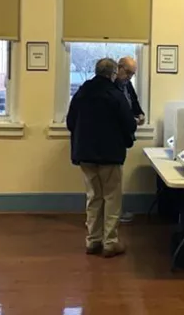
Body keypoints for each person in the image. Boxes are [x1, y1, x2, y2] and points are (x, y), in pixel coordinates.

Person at [67, 58, 137, 258]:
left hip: (85, 154)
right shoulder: (115, 95)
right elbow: (129, 125)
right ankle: (110, 243)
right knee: (112, 198)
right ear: (113, 74)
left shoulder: (81, 93)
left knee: (93, 197)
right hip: (110, 154)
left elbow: (71, 122)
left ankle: (92, 240)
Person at [115, 56, 145, 224]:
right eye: (128, 73)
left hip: (123, 137)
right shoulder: (111, 87)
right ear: (119, 68)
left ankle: (116, 211)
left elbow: (133, 102)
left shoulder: (127, 85)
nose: (129, 77)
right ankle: (113, 214)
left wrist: (140, 114)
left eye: (132, 75)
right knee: (111, 182)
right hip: (112, 139)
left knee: (117, 178)